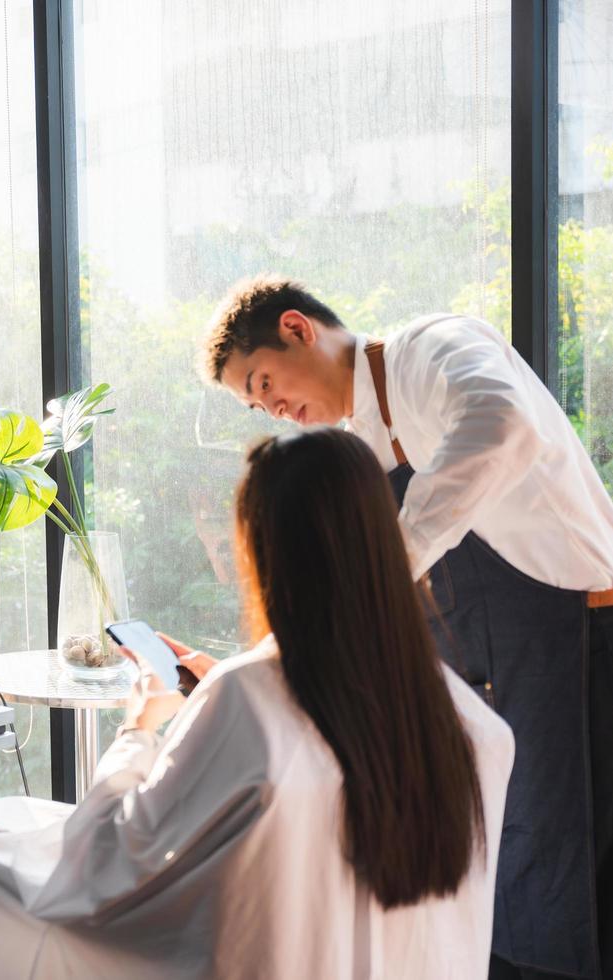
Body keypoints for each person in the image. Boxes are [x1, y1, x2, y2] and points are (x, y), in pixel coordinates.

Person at [0, 428, 515, 979]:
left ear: (265, 552)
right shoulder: (467, 720)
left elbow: (114, 858)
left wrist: (139, 730)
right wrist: (220, 689)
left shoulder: (249, 698)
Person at [200, 275, 613, 979]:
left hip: (570, 635)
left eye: (262, 379)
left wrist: (391, 557)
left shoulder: (433, 347)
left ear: (297, 328)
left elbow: (498, 421)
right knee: (489, 864)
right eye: (252, 402)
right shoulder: (351, 443)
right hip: (474, 664)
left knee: (565, 871)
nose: (269, 406)